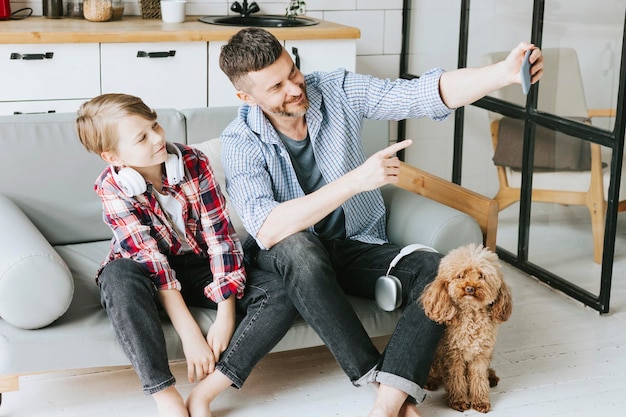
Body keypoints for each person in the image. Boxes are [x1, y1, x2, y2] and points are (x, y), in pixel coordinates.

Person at [218, 28, 544, 417]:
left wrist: (503, 73)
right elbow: (269, 228)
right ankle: (387, 388)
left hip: (356, 243)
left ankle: (386, 404)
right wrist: (357, 180)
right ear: (246, 97)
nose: (294, 87)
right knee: (298, 247)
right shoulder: (239, 141)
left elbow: (420, 94)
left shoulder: (334, 88)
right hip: (291, 256)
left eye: (293, 71)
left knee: (433, 269)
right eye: (276, 86)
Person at [75, 93, 298, 417]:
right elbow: (153, 263)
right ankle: (166, 397)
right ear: (113, 156)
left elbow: (220, 238)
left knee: (279, 292)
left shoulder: (193, 162)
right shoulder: (111, 187)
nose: (158, 138)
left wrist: (226, 313)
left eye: (155, 126)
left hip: (198, 263)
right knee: (118, 278)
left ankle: (206, 393)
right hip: (144, 272)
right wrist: (191, 334)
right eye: (142, 137)